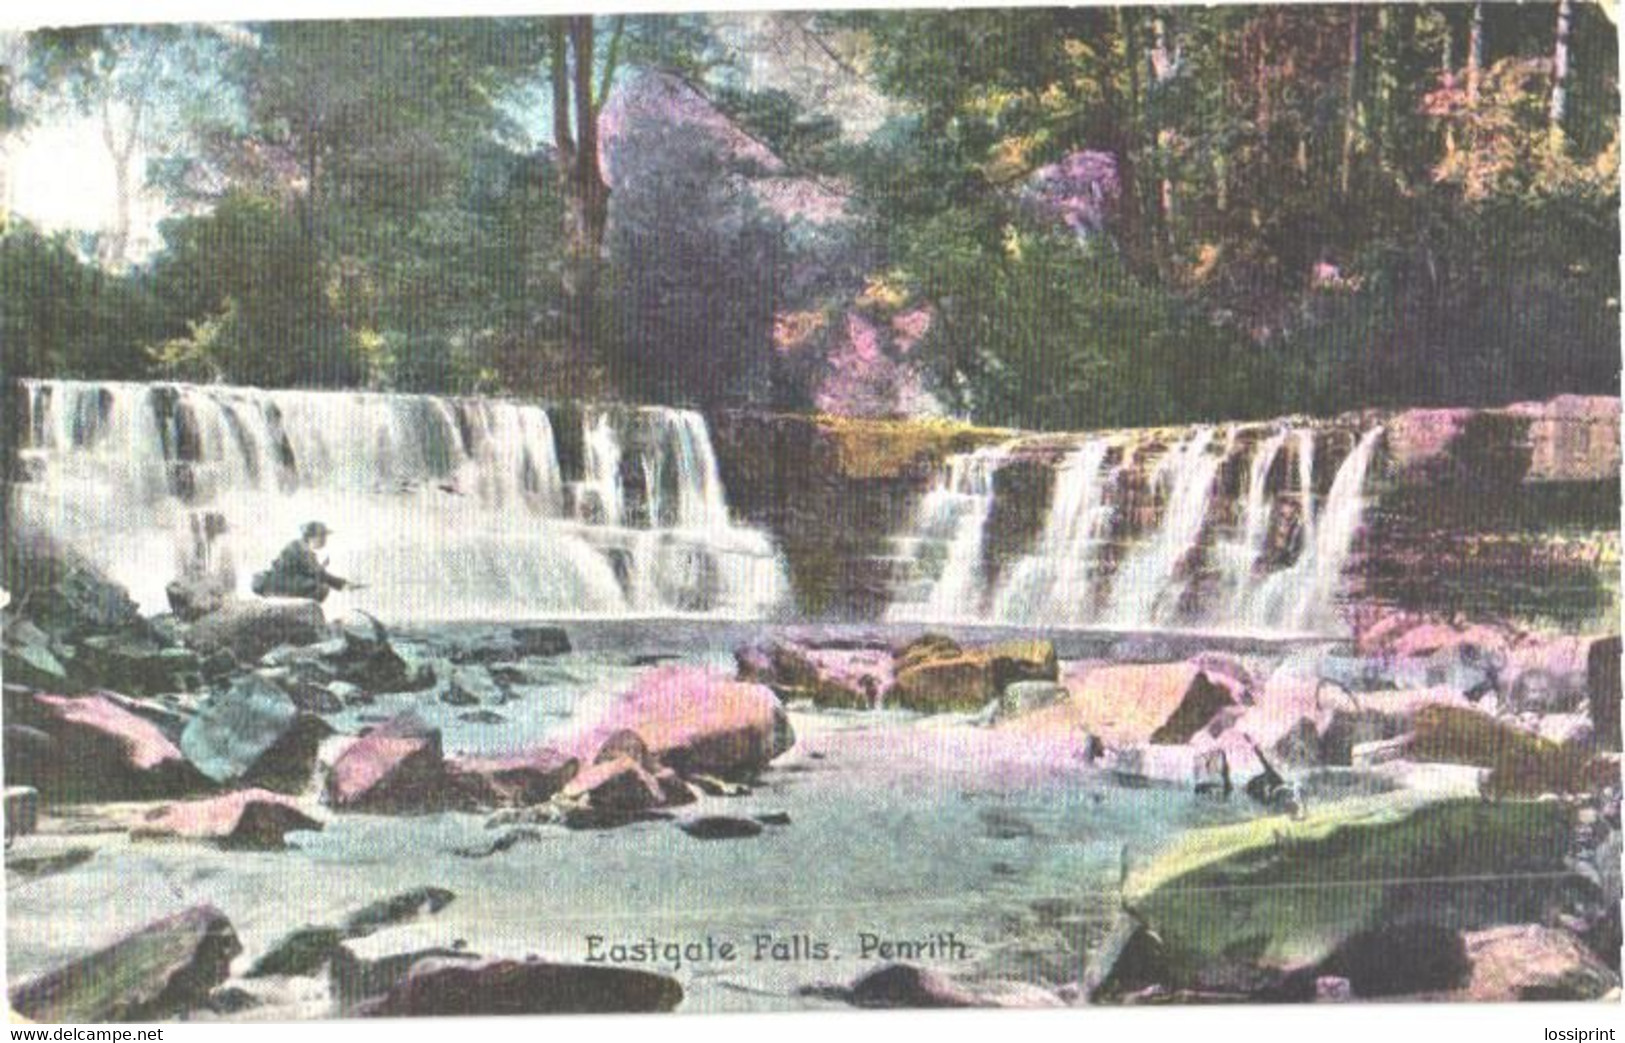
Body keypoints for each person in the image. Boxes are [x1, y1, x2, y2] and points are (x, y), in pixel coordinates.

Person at [252, 521, 351, 603]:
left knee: (317, 585)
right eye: (321, 536)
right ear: (310, 537)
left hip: (283, 582)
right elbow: (317, 573)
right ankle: (303, 613)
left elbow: (313, 573)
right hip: (277, 583)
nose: (324, 540)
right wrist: (343, 585)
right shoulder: (300, 548)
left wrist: (342, 584)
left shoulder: (301, 547)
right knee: (321, 589)